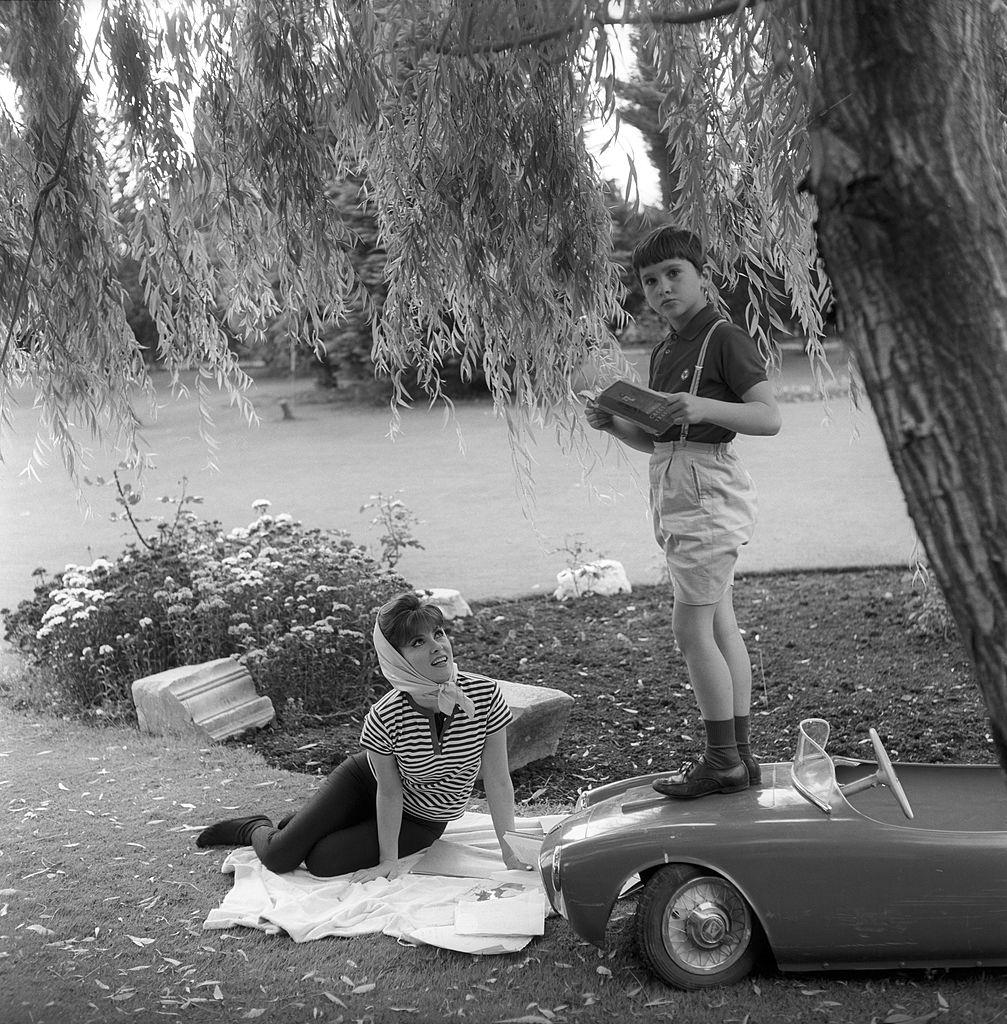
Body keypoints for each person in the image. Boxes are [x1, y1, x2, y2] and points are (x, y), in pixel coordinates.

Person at [586, 226, 781, 799]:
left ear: (703, 276)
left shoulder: (724, 336)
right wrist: (616, 425)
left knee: (689, 625)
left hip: (707, 493)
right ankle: (740, 759)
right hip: (676, 488)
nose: (663, 287)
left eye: (674, 274)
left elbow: (768, 417)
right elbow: (660, 441)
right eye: (651, 280)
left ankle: (721, 761)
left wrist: (701, 404)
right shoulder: (667, 350)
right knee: (719, 623)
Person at [195, 592, 530, 878]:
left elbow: (498, 780)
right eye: (418, 641)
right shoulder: (386, 715)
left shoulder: (484, 695)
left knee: (322, 862)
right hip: (366, 784)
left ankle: (305, 824)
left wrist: (510, 852)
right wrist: (388, 860)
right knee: (280, 858)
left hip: (425, 818)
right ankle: (255, 826)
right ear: (396, 658)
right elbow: (388, 791)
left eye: (438, 633)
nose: (437, 646)